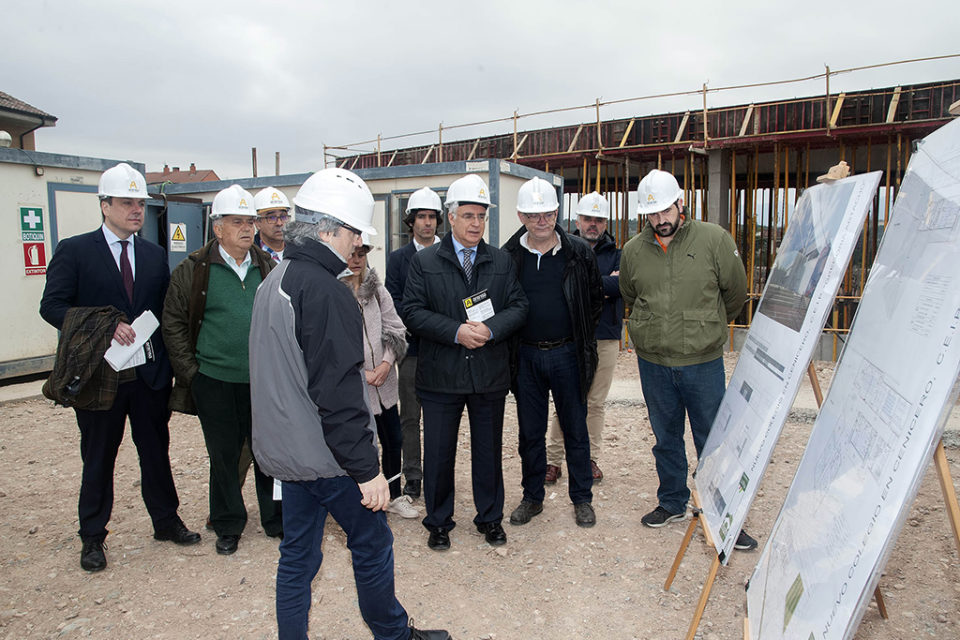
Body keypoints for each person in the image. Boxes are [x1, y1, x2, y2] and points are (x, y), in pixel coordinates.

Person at [249, 168, 449, 640]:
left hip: (288, 454)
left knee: (298, 555)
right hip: (329, 457)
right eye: (354, 231)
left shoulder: (275, 281)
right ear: (327, 229)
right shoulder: (325, 292)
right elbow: (337, 394)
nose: (358, 242)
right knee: (372, 542)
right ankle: (394, 634)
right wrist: (366, 470)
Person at [39, 162, 200, 572]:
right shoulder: (75, 251)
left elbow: (164, 311)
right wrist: (103, 326)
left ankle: (166, 521)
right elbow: (52, 307)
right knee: (98, 458)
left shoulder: (153, 254)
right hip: (100, 378)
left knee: (155, 453)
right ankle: (93, 536)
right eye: (127, 202)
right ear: (105, 205)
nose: (136, 210)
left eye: (140, 203)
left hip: (147, 377)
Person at [619, 169, 757, 551]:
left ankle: (723, 515)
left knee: (712, 439)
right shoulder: (633, 251)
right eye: (652, 213)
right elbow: (631, 294)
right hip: (654, 363)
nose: (660, 219)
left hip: (702, 362)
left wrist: (704, 327)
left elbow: (735, 292)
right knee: (665, 437)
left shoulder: (714, 240)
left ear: (681, 203)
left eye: (666, 210)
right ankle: (672, 502)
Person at [401, 174, 528, 551]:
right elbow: (412, 311)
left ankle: (490, 518)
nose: (476, 224)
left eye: (482, 216)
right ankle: (439, 522)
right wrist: (456, 331)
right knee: (439, 454)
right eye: (469, 216)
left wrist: (491, 329)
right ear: (452, 218)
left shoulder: (501, 260)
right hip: (441, 375)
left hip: (488, 374)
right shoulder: (424, 261)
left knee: (488, 452)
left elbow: (519, 305)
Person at [163, 184, 282, 556]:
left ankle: (276, 520)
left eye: (250, 222)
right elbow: (173, 323)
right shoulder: (194, 270)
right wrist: (192, 375)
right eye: (237, 222)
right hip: (214, 380)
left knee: (269, 452)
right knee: (224, 455)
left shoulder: (267, 267)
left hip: (261, 381)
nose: (247, 229)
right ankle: (228, 524)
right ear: (218, 228)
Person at [502, 177, 603, 529]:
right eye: (533, 215)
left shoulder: (579, 252)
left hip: (567, 354)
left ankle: (582, 499)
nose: (541, 220)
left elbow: (593, 302)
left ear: (557, 212)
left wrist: (576, 338)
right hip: (526, 357)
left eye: (547, 213)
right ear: (521, 216)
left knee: (575, 429)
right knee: (530, 433)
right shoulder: (508, 256)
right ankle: (532, 497)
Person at [545, 192, 622, 486]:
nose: (593, 224)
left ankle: (589, 459)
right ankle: (553, 460)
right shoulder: (563, 250)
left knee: (596, 402)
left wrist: (584, 285)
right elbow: (559, 287)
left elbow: (620, 286)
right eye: (588, 218)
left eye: (599, 220)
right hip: (571, 336)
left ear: (605, 223)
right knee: (566, 400)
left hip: (605, 336)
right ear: (577, 220)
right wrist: (603, 284)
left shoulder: (618, 255)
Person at [341, 233, 419, 519]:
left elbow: (395, 328)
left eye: (361, 255)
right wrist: (362, 373)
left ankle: (394, 495)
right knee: (363, 446)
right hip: (355, 390)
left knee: (394, 441)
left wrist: (386, 363)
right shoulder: (333, 293)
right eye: (351, 254)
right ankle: (362, 500)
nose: (356, 260)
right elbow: (332, 345)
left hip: (384, 387)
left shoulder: (377, 291)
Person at [385, 186, 443, 500]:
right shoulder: (398, 260)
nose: (427, 222)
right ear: (411, 221)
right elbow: (393, 302)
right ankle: (413, 475)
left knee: (439, 417)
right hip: (411, 351)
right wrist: (423, 320)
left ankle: (436, 473)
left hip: (442, 351)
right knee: (409, 416)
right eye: (421, 216)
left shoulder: (449, 253)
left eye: (432, 216)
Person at [254, 187, 291, 261]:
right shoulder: (250, 256)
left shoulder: (300, 251)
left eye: (283, 216)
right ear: (257, 223)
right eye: (272, 217)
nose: (279, 223)